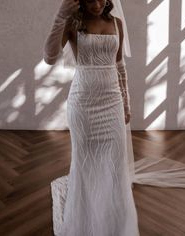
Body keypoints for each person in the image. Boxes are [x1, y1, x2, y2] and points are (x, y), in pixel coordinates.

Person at [44, 0, 140, 235]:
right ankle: (85, 220)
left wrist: (126, 102)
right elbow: (49, 57)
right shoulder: (72, 23)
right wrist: (59, 17)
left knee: (115, 165)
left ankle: (115, 224)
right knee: (84, 162)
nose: (96, 4)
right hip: (83, 103)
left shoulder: (117, 23)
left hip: (112, 103)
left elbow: (119, 65)